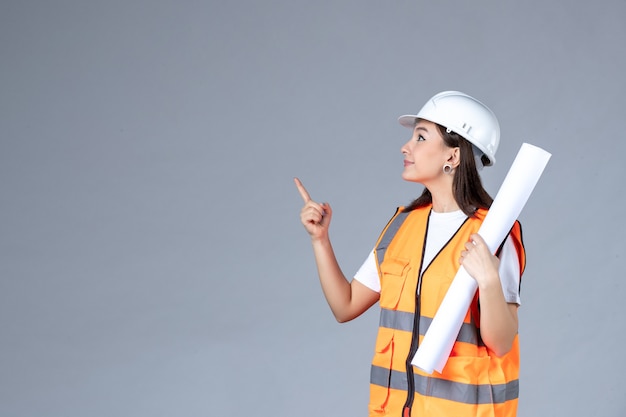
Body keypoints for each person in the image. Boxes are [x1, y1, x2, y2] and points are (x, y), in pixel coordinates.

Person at [294, 91, 526, 417]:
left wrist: (488, 280)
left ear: (453, 157)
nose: (406, 147)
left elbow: (501, 343)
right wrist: (320, 240)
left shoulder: (494, 233)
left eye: (420, 137)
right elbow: (344, 305)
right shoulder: (402, 226)